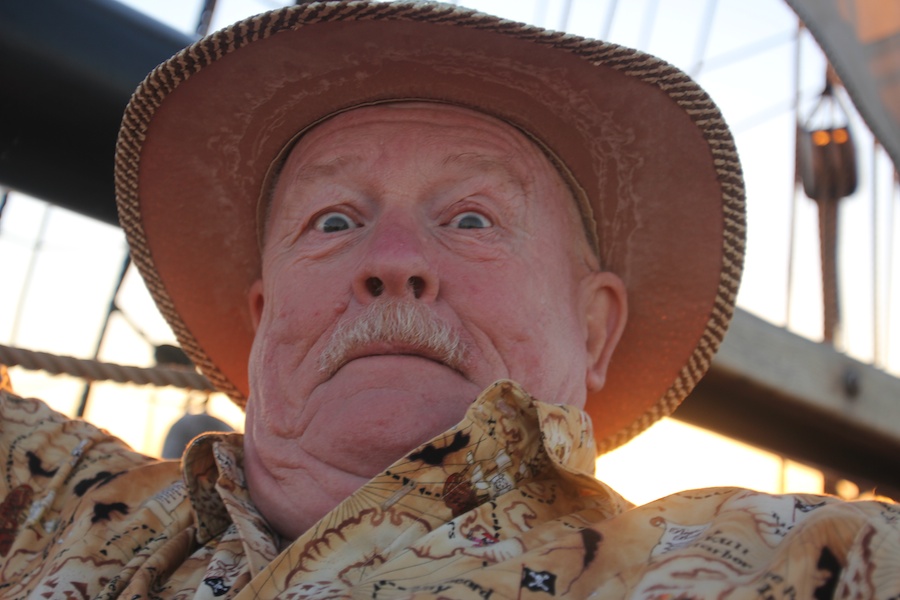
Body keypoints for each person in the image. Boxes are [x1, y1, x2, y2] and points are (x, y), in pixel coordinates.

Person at [1, 1, 897, 598]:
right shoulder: (51, 511)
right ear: (263, 315)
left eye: (471, 218)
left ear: (595, 326)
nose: (393, 262)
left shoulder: (796, 567)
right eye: (333, 220)